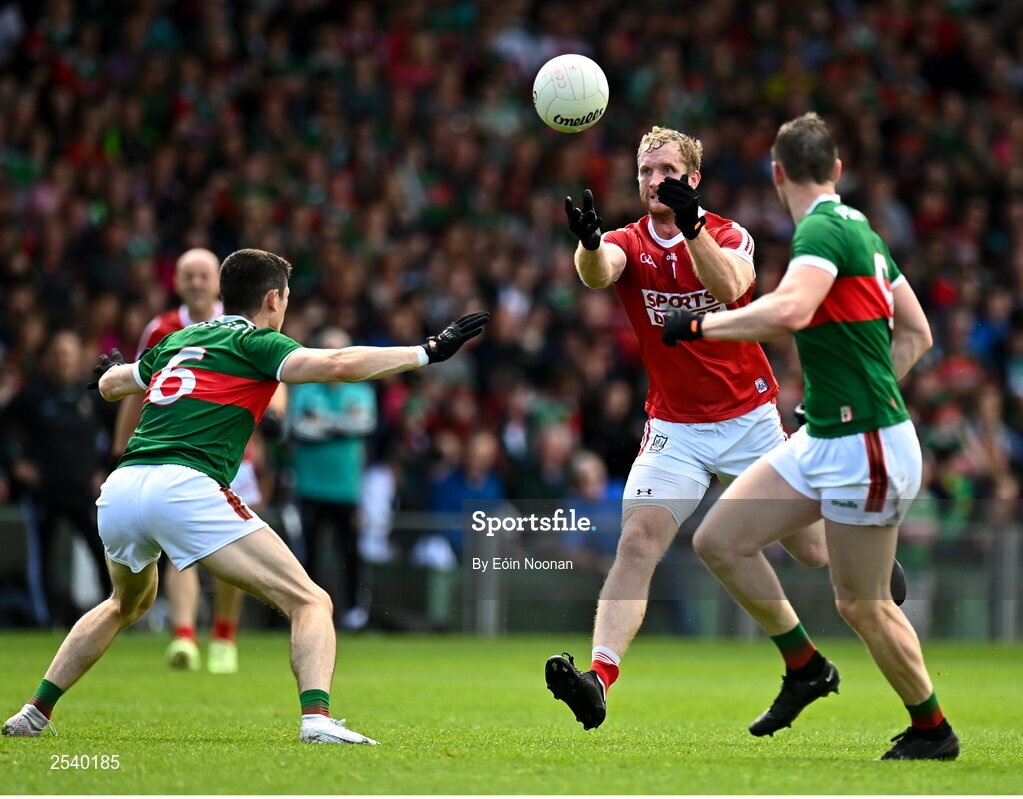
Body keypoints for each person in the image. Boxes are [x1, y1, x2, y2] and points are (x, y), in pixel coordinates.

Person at [2, 248, 489, 743]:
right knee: (311, 601)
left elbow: (110, 384)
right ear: (273, 299)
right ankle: (317, 721)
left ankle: (34, 711)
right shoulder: (259, 343)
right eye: (287, 299)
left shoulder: (180, 338)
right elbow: (339, 363)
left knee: (124, 604)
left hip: (123, 487)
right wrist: (426, 350)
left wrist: (116, 370)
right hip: (184, 484)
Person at [661, 112, 958, 760]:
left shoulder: (822, 228)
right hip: (827, 434)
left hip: (867, 444)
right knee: (719, 538)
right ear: (836, 170)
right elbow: (917, 334)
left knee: (860, 603)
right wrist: (846, 397)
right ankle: (805, 666)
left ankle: (931, 729)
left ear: (776, 174)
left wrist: (702, 327)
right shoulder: (864, 233)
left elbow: (791, 309)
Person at [546, 125, 839, 730]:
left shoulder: (729, 233)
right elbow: (600, 273)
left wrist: (693, 226)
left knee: (810, 550)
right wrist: (589, 242)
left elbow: (730, 286)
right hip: (675, 427)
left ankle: (863, 549)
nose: (655, 181)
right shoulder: (630, 239)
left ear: (692, 179)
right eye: (646, 172)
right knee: (637, 541)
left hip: (750, 419)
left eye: (667, 171)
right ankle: (598, 679)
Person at [113, 248, 262, 674]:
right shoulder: (161, 327)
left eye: (203, 275)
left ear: (219, 281)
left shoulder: (241, 324)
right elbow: (134, 382)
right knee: (182, 550)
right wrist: (121, 447)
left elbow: (277, 366)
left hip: (233, 455)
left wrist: (278, 415)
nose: (196, 282)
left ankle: (224, 636)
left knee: (231, 550)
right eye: (188, 275)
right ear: (177, 282)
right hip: (173, 453)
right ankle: (184, 637)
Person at [1, 329, 111, 627]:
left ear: (79, 357)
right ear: (50, 357)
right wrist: (15, 464)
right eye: (58, 352)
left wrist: (106, 469)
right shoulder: (33, 394)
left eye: (69, 352)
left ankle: (110, 615)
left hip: (84, 490)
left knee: (101, 551)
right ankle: (46, 621)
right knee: (42, 561)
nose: (63, 358)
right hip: (43, 492)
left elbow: (120, 432)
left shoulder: (92, 394)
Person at [287, 327, 376, 631]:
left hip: (346, 489)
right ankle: (306, 613)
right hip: (310, 486)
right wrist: (342, 424)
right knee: (308, 553)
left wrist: (323, 422)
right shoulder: (305, 389)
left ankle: (353, 612)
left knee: (349, 552)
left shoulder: (360, 390)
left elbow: (364, 426)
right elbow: (299, 429)